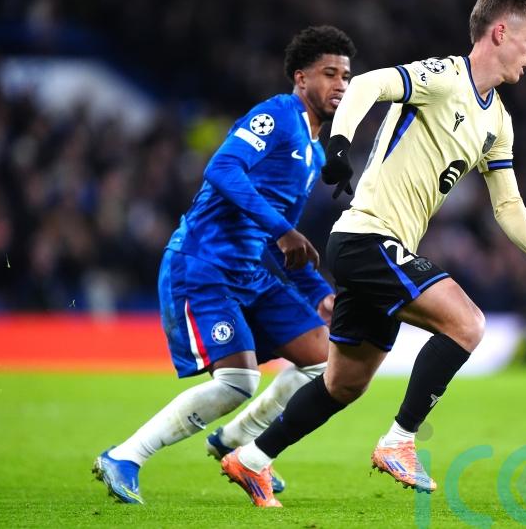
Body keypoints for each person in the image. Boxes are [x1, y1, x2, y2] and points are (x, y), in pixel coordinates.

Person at [220, 0, 526, 508]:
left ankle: (251, 458)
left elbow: (506, 202)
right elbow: (367, 85)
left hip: (377, 248)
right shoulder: (445, 76)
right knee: (467, 323)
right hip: (368, 237)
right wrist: (338, 146)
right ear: (501, 32)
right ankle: (400, 441)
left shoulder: (497, 121)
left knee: (344, 384)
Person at [92, 25, 356, 504]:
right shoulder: (277, 115)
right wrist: (282, 229)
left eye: (346, 76)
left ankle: (238, 444)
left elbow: (284, 239)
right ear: (301, 78)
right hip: (202, 264)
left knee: (324, 360)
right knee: (238, 382)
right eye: (329, 73)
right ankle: (125, 456)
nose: (340, 84)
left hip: (248, 271)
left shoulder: (315, 151)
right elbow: (222, 168)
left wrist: (319, 292)